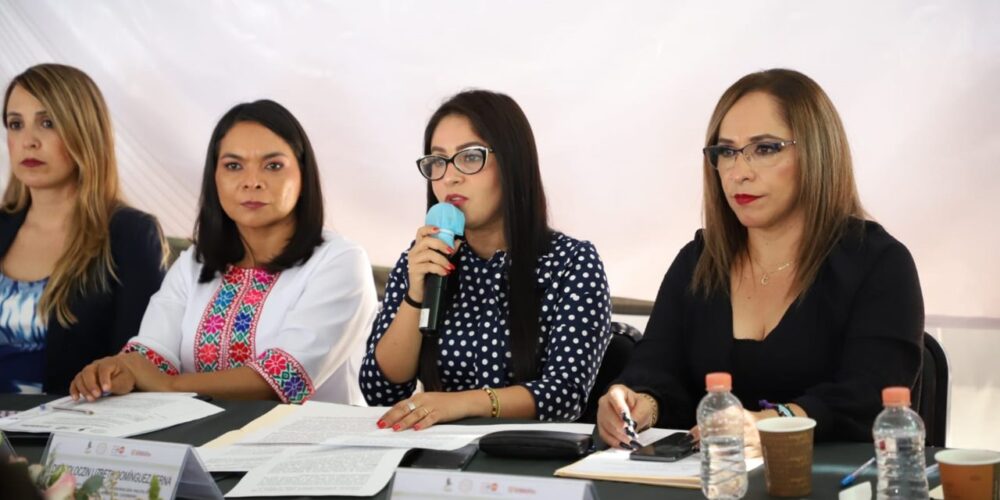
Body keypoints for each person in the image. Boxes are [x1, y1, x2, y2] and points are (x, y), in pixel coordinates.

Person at [597, 69, 924, 449]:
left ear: (817, 153)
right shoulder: (698, 263)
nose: (739, 172)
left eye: (765, 149)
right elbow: (655, 369)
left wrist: (766, 424)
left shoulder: (880, 263)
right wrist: (637, 404)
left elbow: (866, 399)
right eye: (726, 152)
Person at [69, 99, 377, 404]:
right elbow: (151, 353)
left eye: (273, 166)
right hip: (201, 444)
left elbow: (284, 378)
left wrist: (167, 385)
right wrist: (117, 371)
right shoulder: (195, 262)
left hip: (309, 448)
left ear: (303, 176)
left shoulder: (341, 261)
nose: (252, 182)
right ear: (214, 177)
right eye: (233, 166)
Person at [360, 90, 612, 430]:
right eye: (437, 162)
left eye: (469, 157)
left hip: (533, 461)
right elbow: (380, 390)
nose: (450, 177)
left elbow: (564, 395)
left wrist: (460, 404)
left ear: (512, 163)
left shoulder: (572, 263)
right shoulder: (422, 258)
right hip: (440, 455)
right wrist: (415, 294)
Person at [0, 63, 165, 394]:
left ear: (85, 132)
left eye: (48, 123)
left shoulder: (130, 234)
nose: (28, 141)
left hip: (68, 432)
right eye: (15, 124)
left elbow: (134, 365)